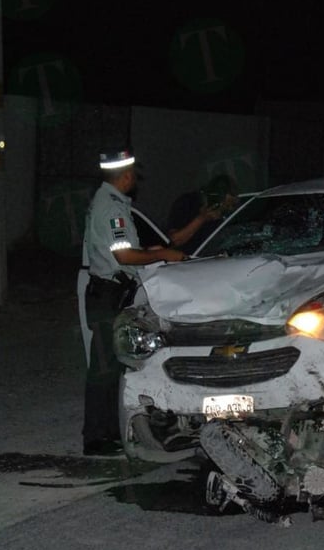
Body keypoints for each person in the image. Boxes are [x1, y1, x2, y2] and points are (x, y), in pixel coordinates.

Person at [82, 148, 186, 456]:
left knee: (111, 366)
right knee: (104, 368)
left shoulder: (109, 203)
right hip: (108, 294)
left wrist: (150, 250)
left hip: (108, 291)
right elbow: (124, 256)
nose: (134, 181)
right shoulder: (112, 209)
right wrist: (163, 254)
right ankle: (98, 438)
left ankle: (109, 433)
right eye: (132, 177)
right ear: (125, 177)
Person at [166, 174, 239, 255]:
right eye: (227, 205)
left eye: (232, 206)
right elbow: (174, 241)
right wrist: (202, 218)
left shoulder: (224, 217)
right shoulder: (187, 203)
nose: (230, 209)